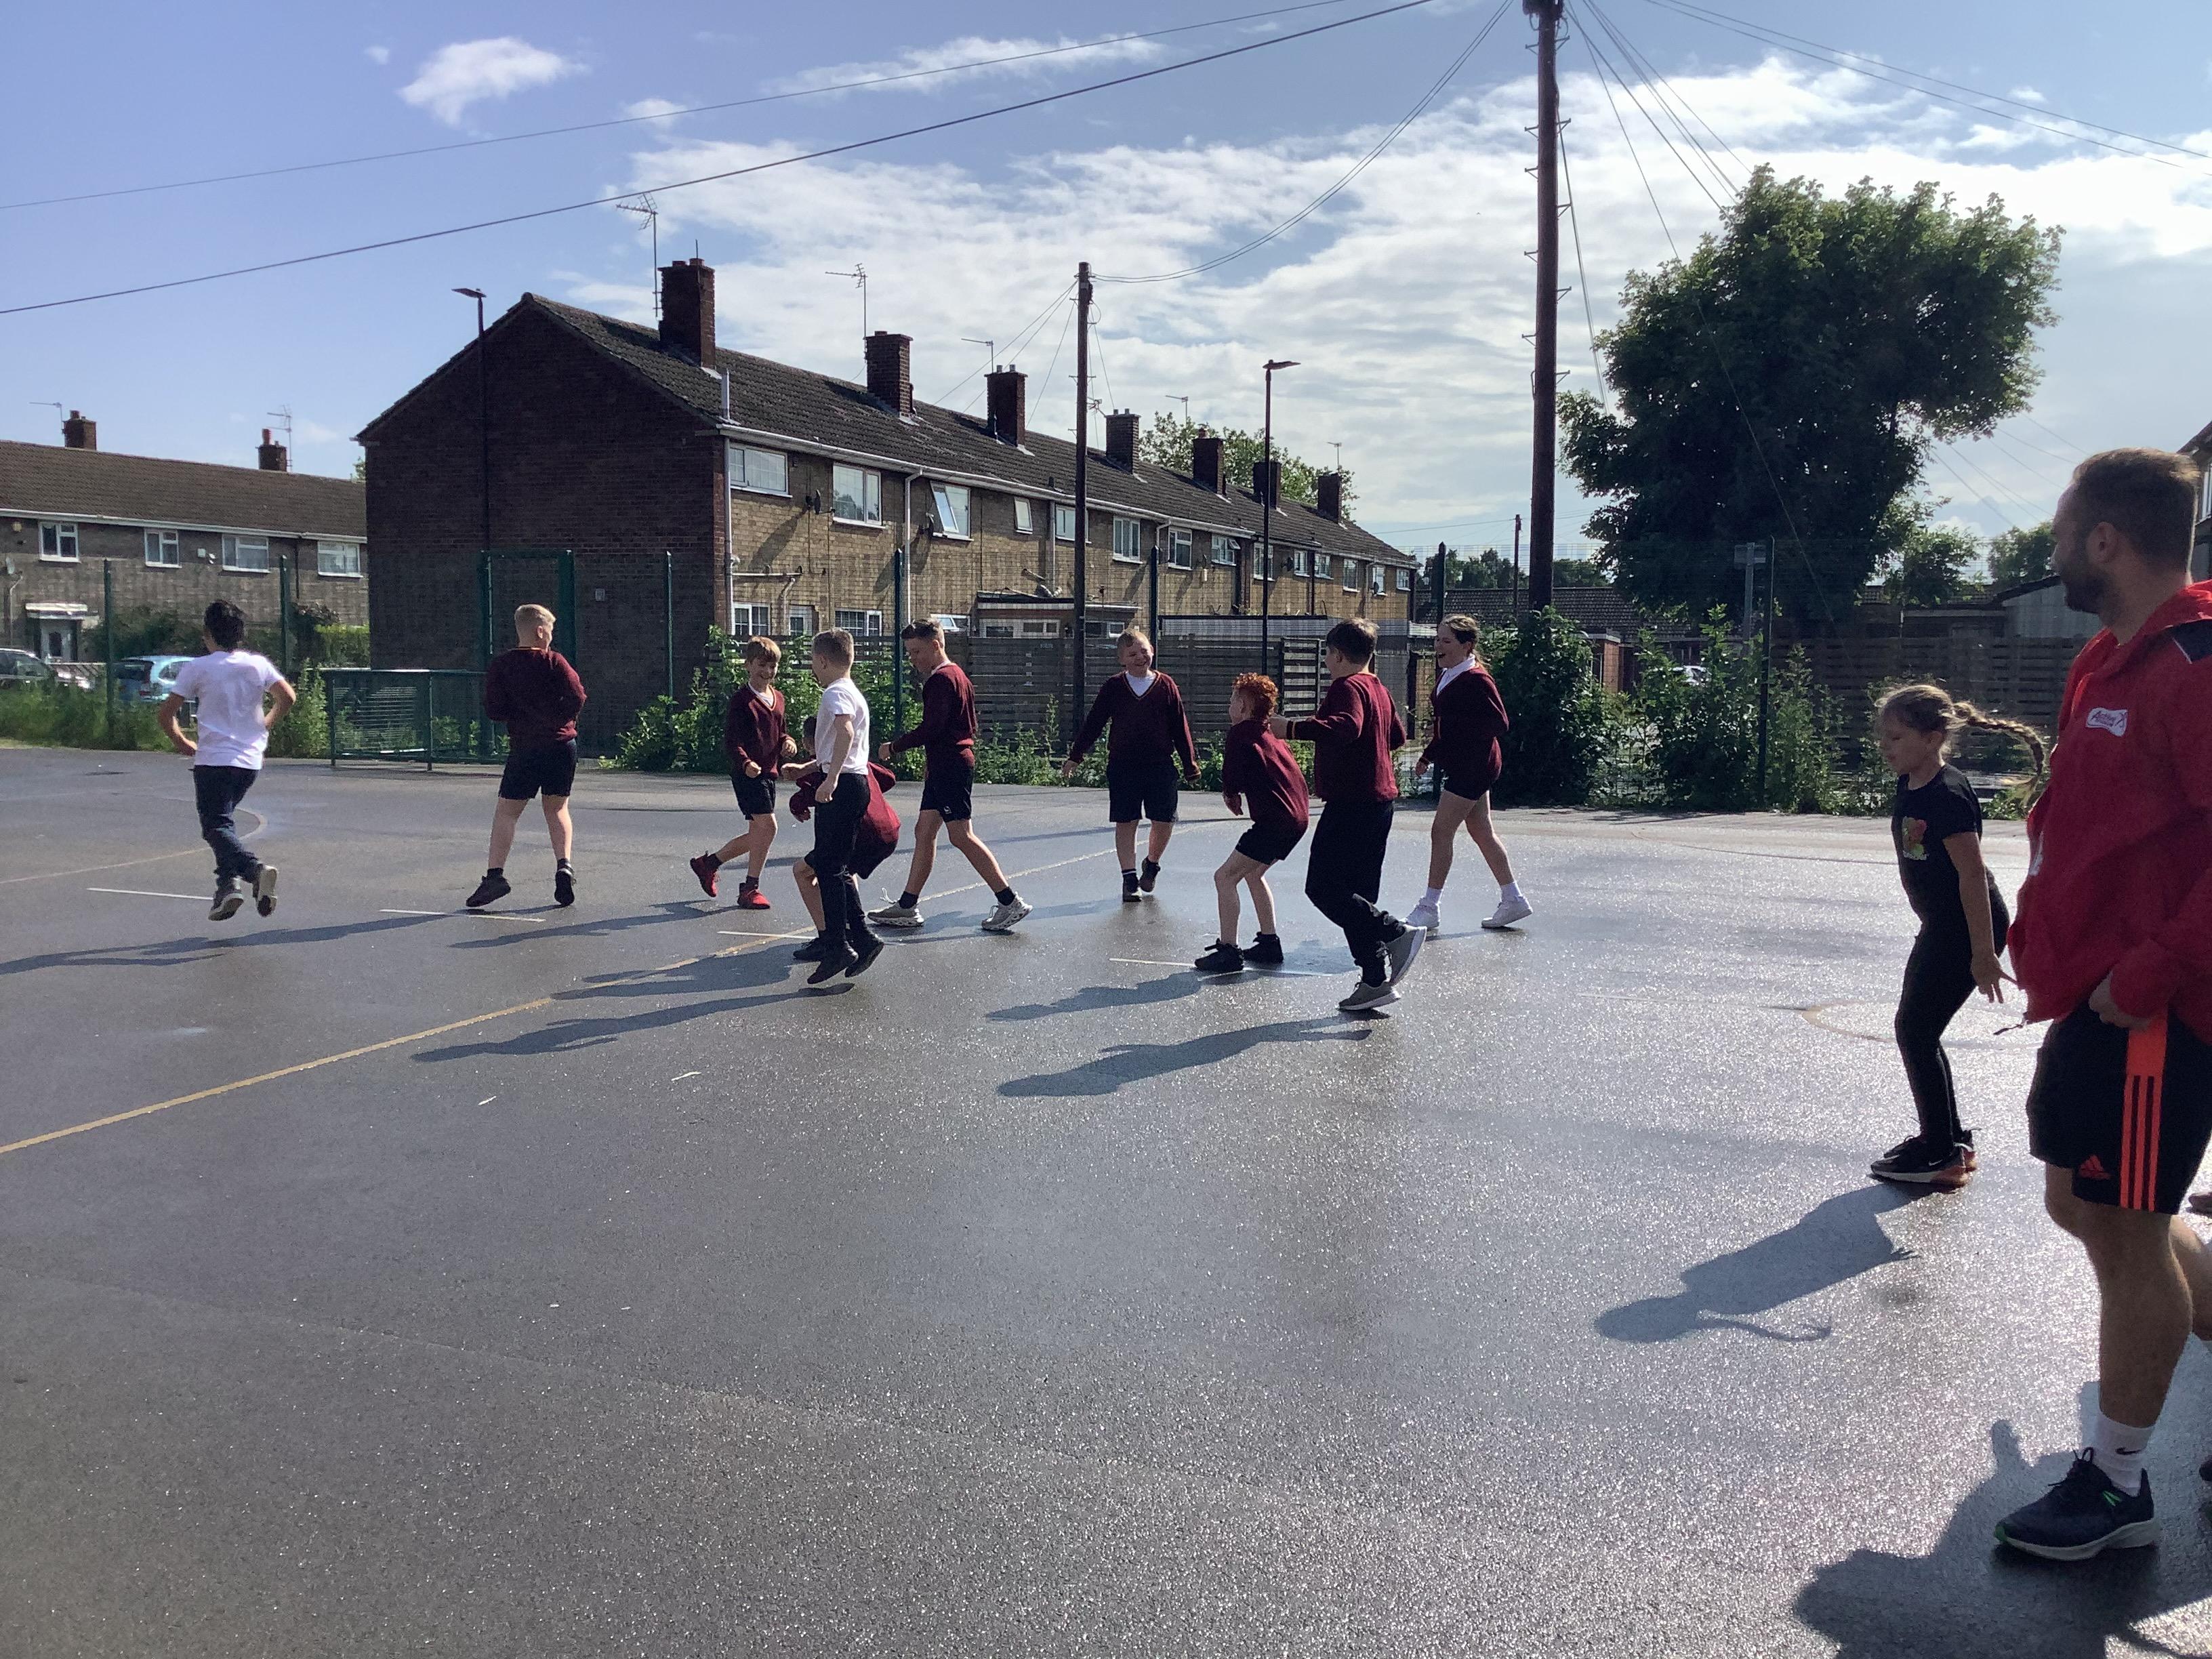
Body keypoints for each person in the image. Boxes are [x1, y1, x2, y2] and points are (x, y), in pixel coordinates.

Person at [1989, 448, 2212, 1563]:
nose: (2054, 547)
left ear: (2105, 541)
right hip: (2098, 997)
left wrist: (2151, 971)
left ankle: (2117, 1487)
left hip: (2154, 1010)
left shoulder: (2192, 666)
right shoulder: (2106, 659)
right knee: (2082, 1205)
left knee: (2124, 1230)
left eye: (2061, 531)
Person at [1867, 683, 2043, 1190]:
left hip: (1963, 928)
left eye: (1896, 737)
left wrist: (1983, 953)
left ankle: (1940, 1150)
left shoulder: (1947, 795)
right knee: (1918, 1030)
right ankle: (1948, 1141)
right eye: (1884, 736)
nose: (1886, 746)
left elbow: (1973, 877)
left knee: (1915, 1031)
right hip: (1942, 926)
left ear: (1932, 738)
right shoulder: (1912, 782)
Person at [1271, 619, 1422, 1014]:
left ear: (1337, 655)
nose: (1326, 662)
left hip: (1352, 802)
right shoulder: (1378, 687)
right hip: (1380, 802)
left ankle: (1396, 932)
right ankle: (1374, 980)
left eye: (1327, 655)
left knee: (1322, 888)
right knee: (1358, 896)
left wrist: (1291, 728)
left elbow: (1347, 727)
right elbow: (1396, 737)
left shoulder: (1347, 687)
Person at [869, 620, 1029, 933]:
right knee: (924, 831)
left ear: (935, 645)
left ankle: (1010, 902)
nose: (912, 659)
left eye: (916, 651)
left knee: (961, 835)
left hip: (951, 766)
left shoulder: (941, 680)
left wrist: (894, 747)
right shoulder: (958, 676)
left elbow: (933, 728)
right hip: (946, 764)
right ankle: (907, 906)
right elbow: (959, 726)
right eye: (909, 652)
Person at [156, 600, 293, 922]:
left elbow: (166, 714)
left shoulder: (199, 667)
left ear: (207, 634)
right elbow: (287, 697)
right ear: (240, 634)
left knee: (215, 826)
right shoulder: (257, 664)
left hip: (214, 759)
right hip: (249, 762)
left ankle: (254, 871)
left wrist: (182, 742)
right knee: (224, 823)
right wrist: (265, 725)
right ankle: (227, 888)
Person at [1404, 615, 1530, 936]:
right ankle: (1513, 899)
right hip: (1467, 764)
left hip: (1474, 766)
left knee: (1441, 830)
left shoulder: (1476, 679)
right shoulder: (1449, 675)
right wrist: (1429, 754)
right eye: (1437, 639)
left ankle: (1429, 907)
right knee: (1482, 831)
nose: (1438, 646)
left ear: (1467, 646)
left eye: (1446, 641)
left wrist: (1459, 738)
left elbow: (1499, 723)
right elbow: (1445, 725)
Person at [1062, 626, 1200, 902]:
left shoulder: (1166, 685)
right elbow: (1094, 723)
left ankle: (1152, 864)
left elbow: (1179, 726)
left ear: (1153, 652)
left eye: (1144, 651)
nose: (1140, 657)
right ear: (1122, 659)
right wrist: (1076, 756)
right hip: (1123, 766)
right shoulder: (1114, 687)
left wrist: (1190, 763)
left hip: (1160, 766)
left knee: (1164, 820)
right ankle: (1129, 878)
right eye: (1132, 654)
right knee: (1127, 821)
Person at [470, 604, 586, 909]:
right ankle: (564, 867)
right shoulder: (555, 662)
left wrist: (520, 718)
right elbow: (577, 696)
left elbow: (494, 709)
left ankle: (495, 876)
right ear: (540, 631)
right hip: (562, 745)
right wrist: (559, 719)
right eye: (551, 630)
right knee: (557, 808)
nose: (552, 636)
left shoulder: (503, 665)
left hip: (525, 747)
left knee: (508, 812)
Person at [1196, 673, 1309, 975]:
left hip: (1275, 822)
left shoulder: (1241, 732)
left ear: (1244, 707)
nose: (1229, 704)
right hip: (1297, 819)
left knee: (1224, 877)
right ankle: (1269, 943)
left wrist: (1230, 794)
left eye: (1233, 699)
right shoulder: (1270, 733)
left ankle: (1228, 951)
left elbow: (1232, 771)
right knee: (1253, 873)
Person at [795, 629, 886, 983]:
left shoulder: (834, 693)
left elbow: (845, 733)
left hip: (843, 784)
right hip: (856, 783)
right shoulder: (852, 691)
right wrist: (812, 769)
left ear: (822, 660)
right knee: (838, 866)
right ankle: (862, 937)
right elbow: (842, 740)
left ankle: (837, 945)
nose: (813, 670)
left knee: (829, 868)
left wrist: (830, 779)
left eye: (813, 663)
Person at [783, 716, 902, 963]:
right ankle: (850, 931)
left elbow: (810, 794)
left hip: (863, 834)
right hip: (889, 830)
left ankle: (829, 938)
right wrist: (872, 795)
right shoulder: (856, 760)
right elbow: (889, 777)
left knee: (804, 872)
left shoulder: (829, 770)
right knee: (844, 870)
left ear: (808, 743)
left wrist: (797, 803)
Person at [689, 636, 792, 908]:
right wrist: (745, 763)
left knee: (759, 833)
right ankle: (750, 888)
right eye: (761, 665)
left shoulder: (779, 699)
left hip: (769, 774)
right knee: (769, 828)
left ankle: (709, 864)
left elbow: (781, 731)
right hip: (748, 776)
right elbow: (732, 741)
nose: (767, 671)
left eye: (772, 666)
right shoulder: (741, 700)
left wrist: (788, 742)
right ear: (748, 665)